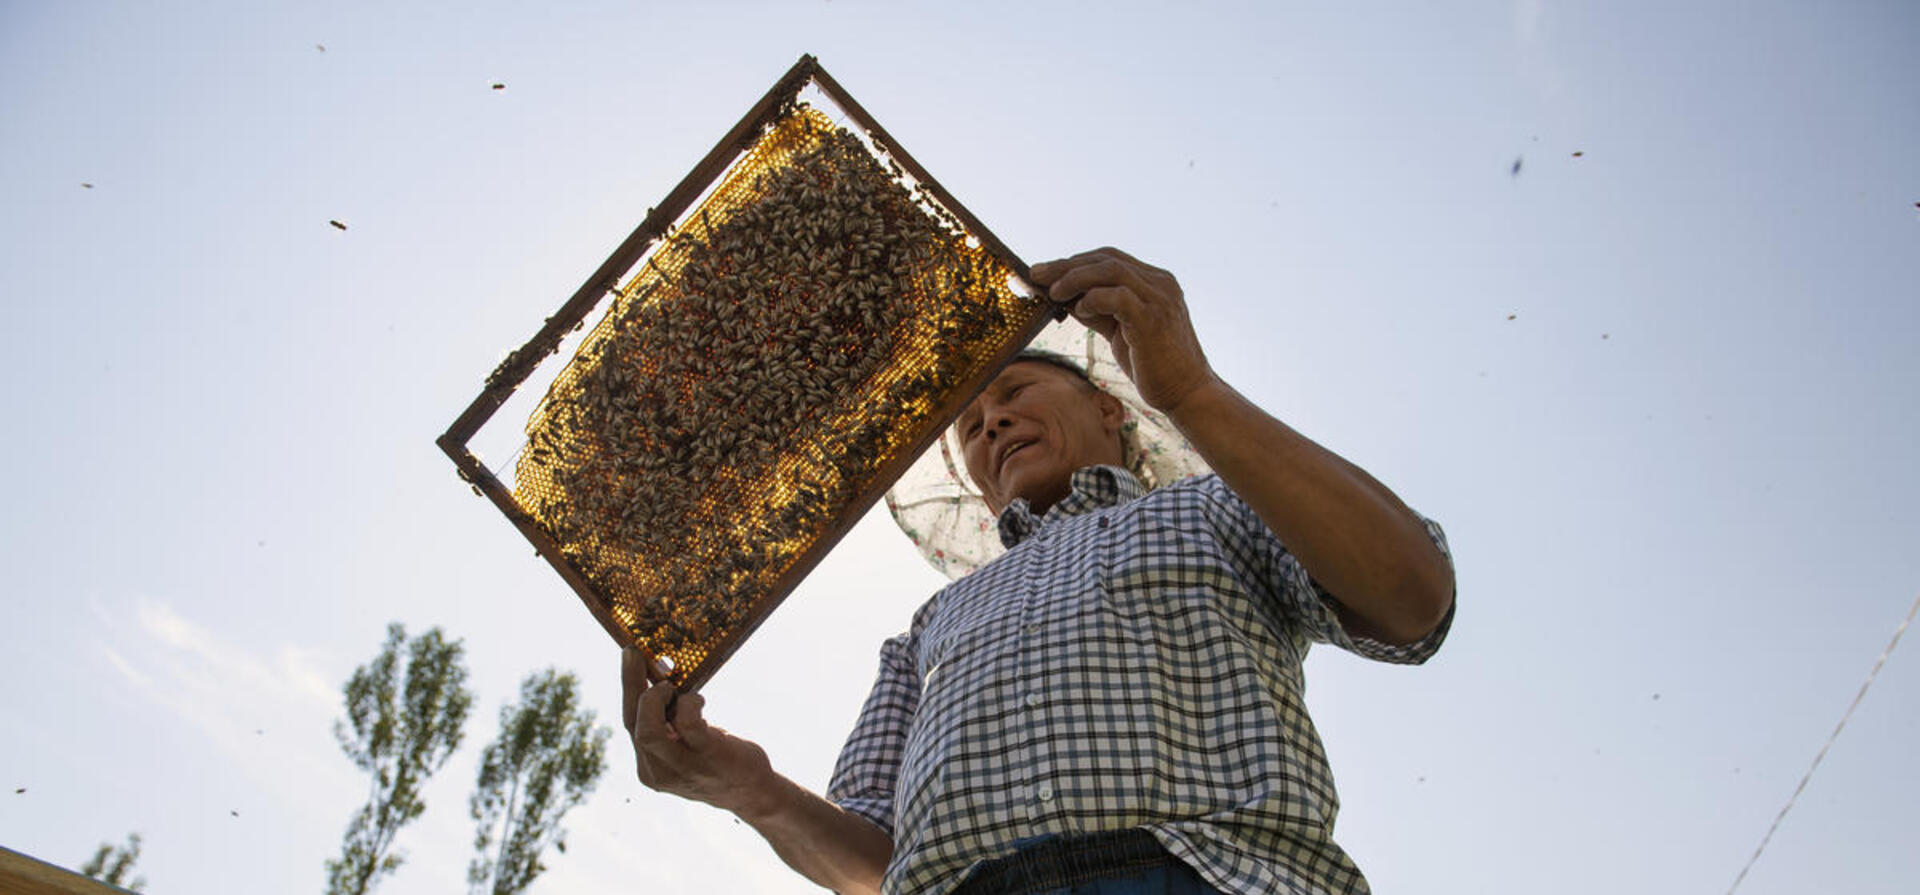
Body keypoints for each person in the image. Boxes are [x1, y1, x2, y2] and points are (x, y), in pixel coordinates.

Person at [622, 247, 1457, 894]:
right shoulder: (930, 622)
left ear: (1109, 405)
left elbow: (1412, 595)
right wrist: (753, 789)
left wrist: (1192, 391)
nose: (991, 422)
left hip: (1207, 874)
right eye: (971, 425)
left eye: (1016, 390)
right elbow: (876, 861)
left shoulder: (1217, 506)